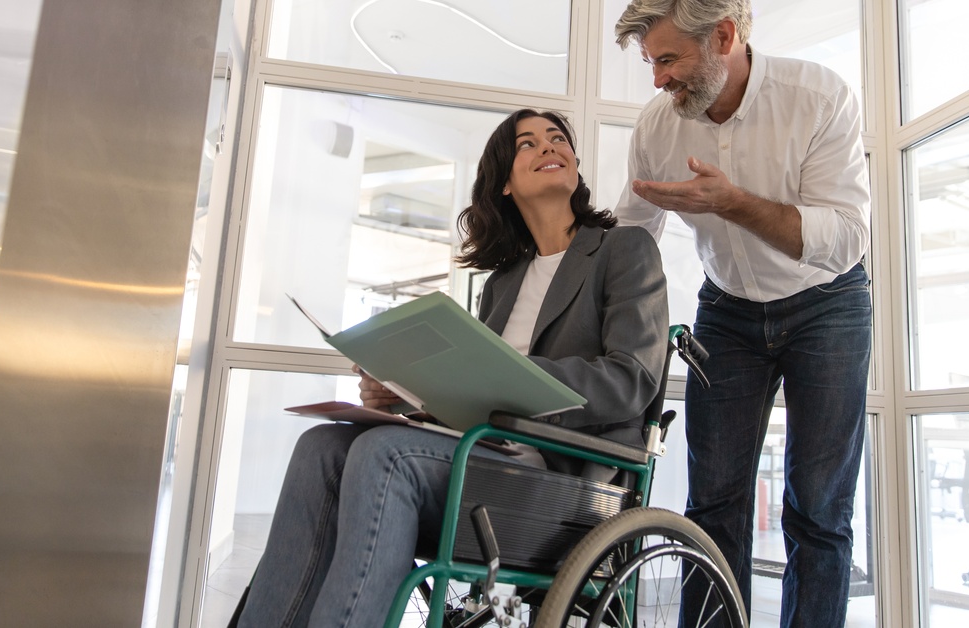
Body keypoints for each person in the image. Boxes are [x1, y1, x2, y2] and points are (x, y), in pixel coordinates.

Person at [232, 109, 669, 627]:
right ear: (504, 183)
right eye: (528, 143)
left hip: (564, 485)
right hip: (481, 464)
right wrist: (404, 396)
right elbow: (476, 402)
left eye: (558, 139)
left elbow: (631, 379)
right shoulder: (503, 284)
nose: (550, 147)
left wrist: (517, 375)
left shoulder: (623, 250)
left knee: (384, 455)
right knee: (321, 447)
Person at [612, 2, 872, 627]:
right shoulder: (657, 127)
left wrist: (731, 203)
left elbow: (843, 238)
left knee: (818, 508)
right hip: (727, 312)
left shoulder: (817, 97)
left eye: (668, 60)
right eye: (651, 62)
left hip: (828, 303)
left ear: (724, 38)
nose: (657, 80)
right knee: (714, 502)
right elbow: (632, 232)